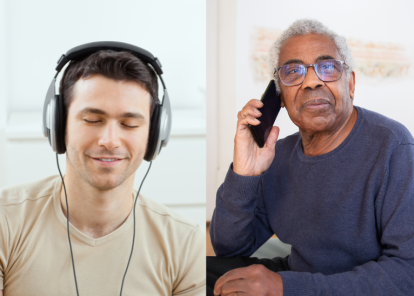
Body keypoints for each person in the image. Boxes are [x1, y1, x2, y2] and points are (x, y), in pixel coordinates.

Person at [208, 19, 414, 296]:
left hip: (351, 286)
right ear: (280, 95)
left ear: (350, 84)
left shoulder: (393, 146)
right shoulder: (277, 156)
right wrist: (244, 174)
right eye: (293, 72)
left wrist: (288, 288)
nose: (312, 81)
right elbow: (229, 248)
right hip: (302, 275)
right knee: (203, 275)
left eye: (328, 67)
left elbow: (407, 273)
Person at [0, 44, 205, 295]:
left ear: (154, 135)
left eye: (129, 124)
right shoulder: (5, 221)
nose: (110, 140)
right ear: (58, 123)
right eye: (92, 120)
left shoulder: (185, 243)